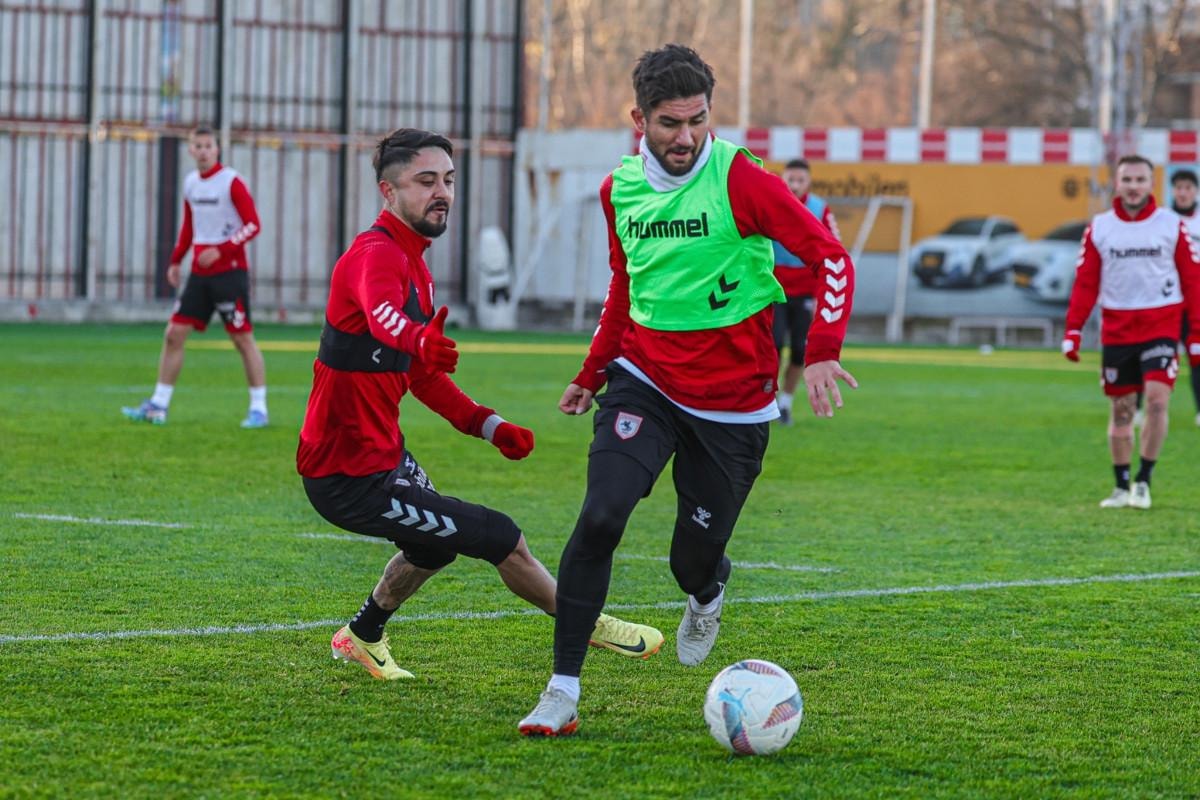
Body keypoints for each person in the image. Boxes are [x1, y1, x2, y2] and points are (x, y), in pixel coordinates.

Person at [518, 44, 857, 736]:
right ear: (638, 119)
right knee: (602, 515)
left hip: (734, 401)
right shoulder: (619, 191)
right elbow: (625, 285)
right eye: (670, 123)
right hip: (644, 379)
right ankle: (561, 690)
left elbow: (832, 257)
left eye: (698, 120)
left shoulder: (743, 180)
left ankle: (707, 588)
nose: (686, 137)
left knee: (689, 561)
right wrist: (592, 371)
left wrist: (821, 351)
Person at [297, 127, 663, 683]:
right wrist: (418, 339)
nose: (442, 192)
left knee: (433, 547)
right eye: (425, 181)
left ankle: (362, 635)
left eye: (448, 180)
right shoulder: (375, 255)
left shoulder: (415, 264)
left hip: (383, 456)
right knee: (500, 537)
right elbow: (382, 318)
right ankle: (584, 620)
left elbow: (422, 378)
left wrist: (488, 425)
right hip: (345, 476)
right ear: (388, 191)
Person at [1061, 154, 1200, 510]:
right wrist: (1073, 330)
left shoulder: (1170, 225)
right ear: (1117, 184)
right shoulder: (1101, 227)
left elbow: (1192, 279)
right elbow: (1086, 282)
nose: (1134, 186)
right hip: (1118, 329)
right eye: (1127, 180)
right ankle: (1121, 486)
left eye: (1140, 180)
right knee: (1122, 410)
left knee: (1157, 401)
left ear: (1151, 184)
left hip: (1161, 324)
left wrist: (1196, 333)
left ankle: (1143, 480)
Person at [121, 126, 269, 428]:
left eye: (208, 146)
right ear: (191, 150)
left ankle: (259, 408)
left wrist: (222, 250)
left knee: (242, 338)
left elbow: (253, 224)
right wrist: (176, 260)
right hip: (200, 276)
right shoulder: (191, 183)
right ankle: (158, 405)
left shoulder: (231, 182)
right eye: (197, 146)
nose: (203, 151)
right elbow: (189, 226)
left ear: (217, 149)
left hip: (229, 274)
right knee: (173, 334)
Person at [772, 158, 841, 426]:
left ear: (809, 182)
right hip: (774, 290)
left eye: (801, 180)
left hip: (805, 292)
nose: (795, 185)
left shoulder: (819, 209)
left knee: (800, 350)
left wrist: (820, 294)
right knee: (774, 345)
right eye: (791, 179)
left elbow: (834, 249)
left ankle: (786, 403)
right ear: (783, 179)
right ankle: (767, 401)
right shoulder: (771, 203)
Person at [1170, 168, 1200, 425]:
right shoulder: (1163, 220)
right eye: (1179, 188)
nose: (1183, 193)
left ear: (1195, 191)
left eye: (1188, 188)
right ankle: (1138, 409)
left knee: (1197, 356)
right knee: (1151, 355)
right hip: (1166, 301)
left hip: (1195, 304)